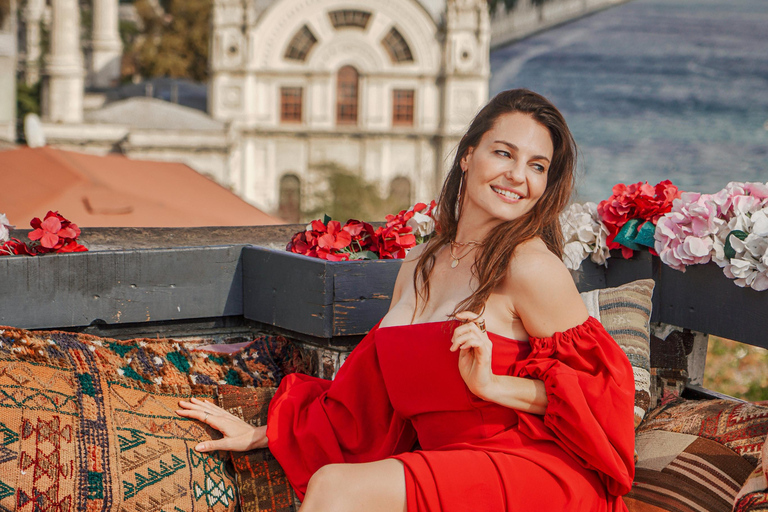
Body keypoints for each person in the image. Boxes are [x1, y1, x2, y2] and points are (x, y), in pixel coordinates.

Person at [177, 89, 636, 512]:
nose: (518, 176)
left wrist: (493, 385)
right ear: (468, 156)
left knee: (336, 489)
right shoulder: (419, 263)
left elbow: (602, 401)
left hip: (534, 469)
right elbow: (365, 400)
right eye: (504, 153)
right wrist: (263, 434)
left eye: (538, 166)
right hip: (448, 466)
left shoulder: (530, 267)